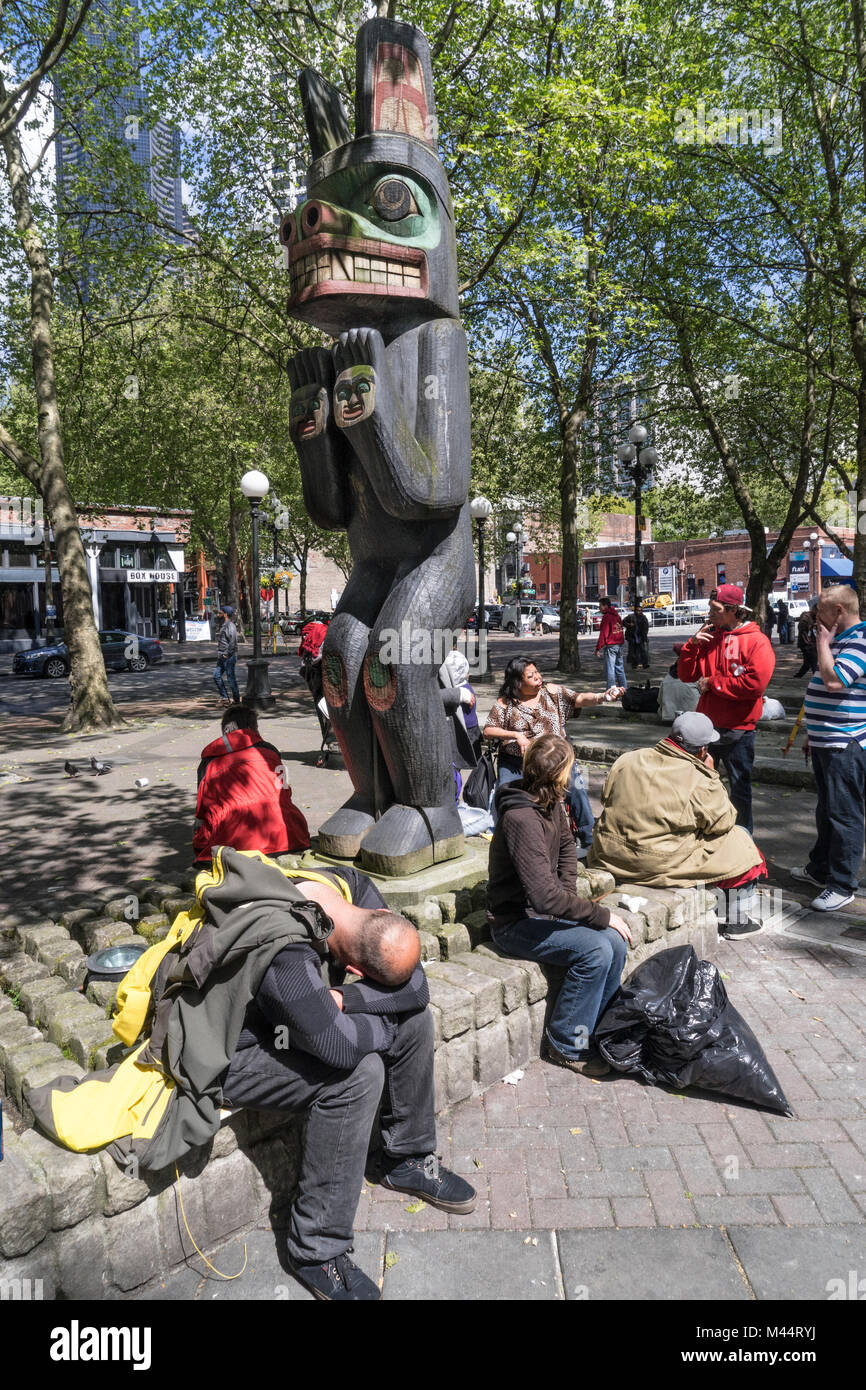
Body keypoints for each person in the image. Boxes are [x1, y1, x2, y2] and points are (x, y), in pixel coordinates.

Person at [220, 860, 476, 1300]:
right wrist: (378, 1021)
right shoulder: (285, 946)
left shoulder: (348, 884)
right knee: (357, 1074)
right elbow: (336, 1049)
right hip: (236, 1052)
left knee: (413, 1016)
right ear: (354, 965)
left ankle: (404, 1159)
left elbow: (417, 988)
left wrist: (346, 996)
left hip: (302, 1014)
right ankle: (315, 1248)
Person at [486, 734, 632, 1074]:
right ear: (560, 775)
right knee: (597, 949)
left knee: (614, 942)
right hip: (513, 925)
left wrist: (567, 899)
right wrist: (598, 914)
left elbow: (567, 846)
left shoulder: (549, 800)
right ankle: (567, 1043)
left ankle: (596, 1030)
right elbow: (541, 897)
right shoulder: (521, 818)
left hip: (542, 913)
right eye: (570, 768)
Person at [588, 712, 766, 935]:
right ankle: (738, 921)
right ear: (703, 750)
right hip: (653, 864)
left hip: (608, 853)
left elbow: (606, 798)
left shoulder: (629, 759)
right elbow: (723, 823)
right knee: (741, 838)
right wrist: (711, 774)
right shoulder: (700, 778)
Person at [482, 656, 623, 845]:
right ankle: (505, 840)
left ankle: (588, 839)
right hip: (517, 762)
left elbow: (578, 698)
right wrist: (515, 735)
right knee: (504, 793)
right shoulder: (506, 703)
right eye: (531, 676)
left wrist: (602, 697)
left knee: (577, 788)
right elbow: (488, 730)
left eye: (537, 672)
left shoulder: (552, 692)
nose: (538, 678)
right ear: (517, 682)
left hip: (557, 759)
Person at [790, 585, 866, 912]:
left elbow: (835, 681)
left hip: (844, 743)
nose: (814, 615)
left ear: (838, 611)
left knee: (843, 814)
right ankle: (820, 869)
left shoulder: (860, 643)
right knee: (827, 809)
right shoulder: (841, 640)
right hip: (826, 739)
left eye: (820, 608)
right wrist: (812, 731)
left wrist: (822, 644)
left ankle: (843, 884)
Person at [676, 584, 775, 834]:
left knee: (740, 789)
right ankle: (702, 833)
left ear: (733, 610)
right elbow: (686, 675)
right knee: (699, 783)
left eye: (715, 608)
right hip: (706, 727)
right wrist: (692, 645)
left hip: (739, 729)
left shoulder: (757, 642)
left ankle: (743, 839)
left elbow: (753, 685)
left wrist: (713, 683)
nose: (710, 613)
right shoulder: (709, 636)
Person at [193, 704, 310, 864]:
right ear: (251, 728)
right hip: (289, 837)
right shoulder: (270, 752)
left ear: (225, 731)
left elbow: (202, 811)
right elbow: (284, 791)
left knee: (202, 827)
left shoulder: (208, 762)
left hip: (233, 845)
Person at [595, 595, 627, 689]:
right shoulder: (616, 615)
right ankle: (624, 689)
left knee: (610, 669)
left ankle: (610, 690)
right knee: (620, 668)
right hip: (619, 644)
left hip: (611, 645)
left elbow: (603, 634)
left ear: (605, 606)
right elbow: (620, 629)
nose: (599, 608)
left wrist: (598, 648)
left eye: (600, 606)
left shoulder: (606, 617)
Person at [213, 604, 240, 704]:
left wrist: (227, 654)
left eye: (220, 613)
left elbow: (233, 642)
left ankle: (236, 701)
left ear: (225, 614)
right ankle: (225, 697)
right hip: (222, 656)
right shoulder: (223, 625)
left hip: (229, 656)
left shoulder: (230, 626)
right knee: (216, 676)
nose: (218, 615)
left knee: (230, 678)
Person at [796, 606, 818, 677]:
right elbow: (802, 629)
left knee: (808, 662)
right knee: (813, 660)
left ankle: (798, 675)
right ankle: (816, 676)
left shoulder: (814, 617)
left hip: (810, 642)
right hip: (806, 643)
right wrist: (807, 641)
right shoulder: (806, 618)